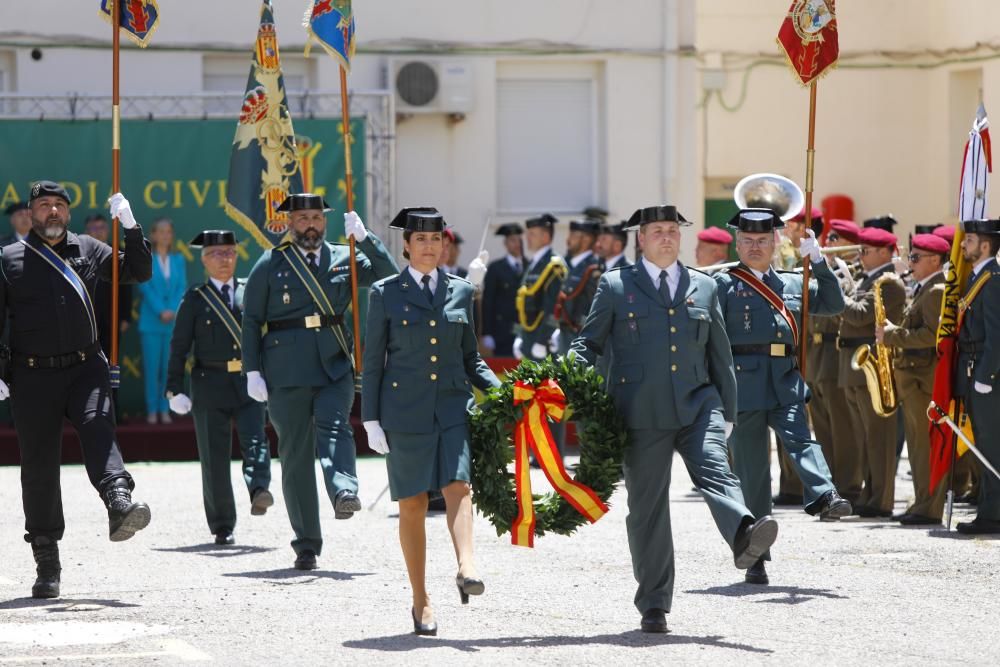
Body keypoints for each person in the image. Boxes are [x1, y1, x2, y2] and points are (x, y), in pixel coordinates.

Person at [569, 204, 778, 633]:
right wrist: (563, 374)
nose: (666, 237)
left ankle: (743, 534)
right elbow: (587, 344)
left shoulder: (703, 286)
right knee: (647, 510)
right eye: (657, 231)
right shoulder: (614, 286)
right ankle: (654, 603)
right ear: (640, 239)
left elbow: (719, 352)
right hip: (639, 413)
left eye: (672, 230)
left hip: (698, 404)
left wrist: (729, 413)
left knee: (717, 471)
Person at [0, 181, 152, 599]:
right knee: (39, 469)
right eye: (44, 205)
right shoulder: (9, 258)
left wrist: (132, 227)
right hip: (32, 376)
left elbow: (137, 271)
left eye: (59, 206)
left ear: (68, 213)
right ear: (30, 213)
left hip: (86, 366)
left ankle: (119, 500)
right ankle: (47, 560)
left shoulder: (89, 248)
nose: (52, 212)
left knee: (98, 425)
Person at [361, 207, 500, 636]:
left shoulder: (460, 291)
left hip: (452, 408)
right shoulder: (385, 293)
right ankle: (420, 599)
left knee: (459, 485)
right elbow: (373, 361)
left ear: (445, 245)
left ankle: (467, 565)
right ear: (406, 245)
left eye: (436, 239)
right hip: (403, 413)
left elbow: (470, 357)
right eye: (420, 240)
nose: (428, 246)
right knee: (414, 505)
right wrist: (371, 420)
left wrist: (503, 393)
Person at [241, 194, 398, 569]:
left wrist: (368, 239)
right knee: (295, 456)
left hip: (333, 363)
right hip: (285, 369)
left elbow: (389, 277)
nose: (310, 224)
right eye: (303, 218)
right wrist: (252, 370)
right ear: (289, 223)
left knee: (335, 425)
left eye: (316, 217)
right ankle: (307, 543)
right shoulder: (271, 263)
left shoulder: (344, 256)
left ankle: (344, 489)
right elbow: (250, 321)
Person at [715, 209, 851, 585]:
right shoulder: (723, 284)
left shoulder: (795, 282)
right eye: (747, 241)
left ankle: (825, 496)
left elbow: (832, 303)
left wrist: (819, 262)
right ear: (737, 243)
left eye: (762, 240)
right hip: (742, 387)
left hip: (784, 380)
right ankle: (755, 555)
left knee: (801, 441)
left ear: (776, 242)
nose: (754, 247)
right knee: (753, 472)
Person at [166, 230, 273, 545]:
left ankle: (259, 489)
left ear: (237, 255)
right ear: (203, 260)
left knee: (256, 440)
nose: (223, 259)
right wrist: (174, 389)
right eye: (216, 254)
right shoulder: (195, 299)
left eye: (229, 252)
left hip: (247, 381)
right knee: (214, 457)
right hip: (209, 383)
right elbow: (179, 346)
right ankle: (222, 524)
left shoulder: (250, 292)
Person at [877, 233, 949, 525]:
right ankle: (922, 502)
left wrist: (892, 333)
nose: (911, 262)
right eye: (912, 257)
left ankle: (929, 507)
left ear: (934, 260)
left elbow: (932, 337)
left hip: (924, 380)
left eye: (916, 257)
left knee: (924, 447)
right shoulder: (925, 288)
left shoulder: (935, 291)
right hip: (915, 381)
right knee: (918, 447)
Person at [838, 226, 906, 518]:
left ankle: (881, 499)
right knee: (864, 438)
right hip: (853, 363)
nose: (860, 255)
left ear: (883, 253)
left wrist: (836, 291)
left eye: (865, 251)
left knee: (878, 438)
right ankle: (869, 493)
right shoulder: (869, 277)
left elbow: (860, 315)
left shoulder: (888, 282)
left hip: (873, 365)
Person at [802, 219, 864, 504]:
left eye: (837, 239)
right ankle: (829, 484)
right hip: (816, 357)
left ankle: (849, 483)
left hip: (834, 354)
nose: (831, 244)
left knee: (843, 427)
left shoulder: (854, 275)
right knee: (823, 428)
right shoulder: (826, 272)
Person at [953, 219, 1000, 534]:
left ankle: (993, 513)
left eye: (968, 240)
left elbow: (997, 335)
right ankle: (989, 508)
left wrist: (987, 374)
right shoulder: (977, 277)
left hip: (985, 375)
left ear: (985, 244)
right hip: (971, 369)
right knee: (982, 443)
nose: (963, 245)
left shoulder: (992, 280)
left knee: (991, 445)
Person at [137, 217, 186, 425]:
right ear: (153, 235)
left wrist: (173, 310)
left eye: (169, 231)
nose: (166, 235)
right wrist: (160, 310)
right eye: (161, 231)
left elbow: (182, 286)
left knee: (168, 370)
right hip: (151, 323)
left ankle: (165, 409)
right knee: (151, 369)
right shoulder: (146, 258)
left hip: (172, 323)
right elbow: (144, 286)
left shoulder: (179, 260)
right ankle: (152, 410)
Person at [513, 214, 565, 361]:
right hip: (529, 337)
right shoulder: (534, 263)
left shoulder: (554, 265)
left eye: (532, 234)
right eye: (527, 234)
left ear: (545, 237)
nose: (527, 238)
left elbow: (554, 306)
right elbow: (523, 302)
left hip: (543, 343)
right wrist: (519, 335)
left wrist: (543, 340)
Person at [82, 213, 134, 359]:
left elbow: (126, 287)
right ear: (86, 232)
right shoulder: (80, 253)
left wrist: (126, 317)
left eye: (102, 227)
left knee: (110, 358)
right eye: (94, 228)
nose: (98, 231)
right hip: (86, 318)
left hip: (112, 316)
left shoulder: (118, 252)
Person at [480, 223, 523, 357]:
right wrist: (487, 333)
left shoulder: (529, 265)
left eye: (519, 240)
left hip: (525, 331)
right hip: (502, 332)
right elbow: (488, 302)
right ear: (506, 243)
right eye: (512, 240)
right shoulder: (496, 268)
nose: (517, 244)